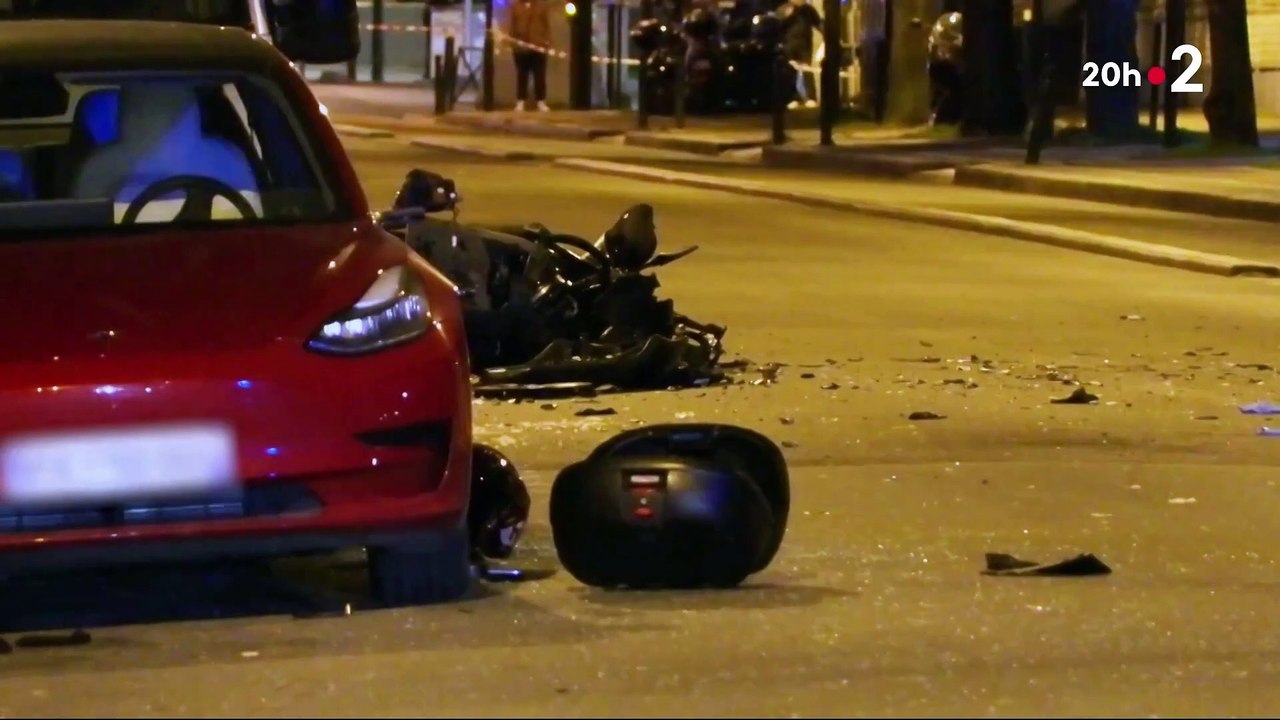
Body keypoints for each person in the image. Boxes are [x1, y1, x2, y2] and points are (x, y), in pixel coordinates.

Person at [507, 0, 552, 111]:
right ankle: (521, 101)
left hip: (538, 46)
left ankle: (541, 101)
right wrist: (513, 44)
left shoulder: (541, 7)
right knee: (522, 75)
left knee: (539, 75)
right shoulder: (515, 7)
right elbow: (513, 26)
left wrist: (547, 42)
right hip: (521, 48)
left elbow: (546, 26)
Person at [778, 0, 820, 108]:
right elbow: (778, 25)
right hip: (789, 44)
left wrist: (827, 34)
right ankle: (793, 97)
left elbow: (818, 23)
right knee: (791, 72)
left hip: (805, 44)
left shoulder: (808, 10)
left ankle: (811, 97)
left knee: (807, 71)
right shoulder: (784, 8)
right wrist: (787, 15)